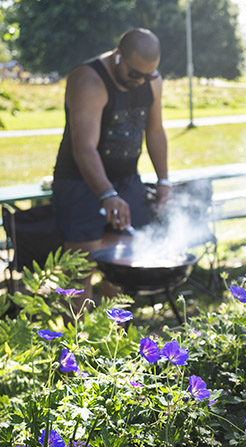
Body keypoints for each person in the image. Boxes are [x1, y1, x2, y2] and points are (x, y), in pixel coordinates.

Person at [52, 28, 171, 304]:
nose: (141, 81)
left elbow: (155, 131)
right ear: (118, 56)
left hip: (127, 180)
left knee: (123, 270)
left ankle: (115, 344)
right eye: (135, 74)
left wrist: (163, 181)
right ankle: (75, 344)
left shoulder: (151, 81)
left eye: (148, 75)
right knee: (80, 273)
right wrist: (107, 194)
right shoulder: (89, 79)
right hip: (80, 183)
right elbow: (83, 146)